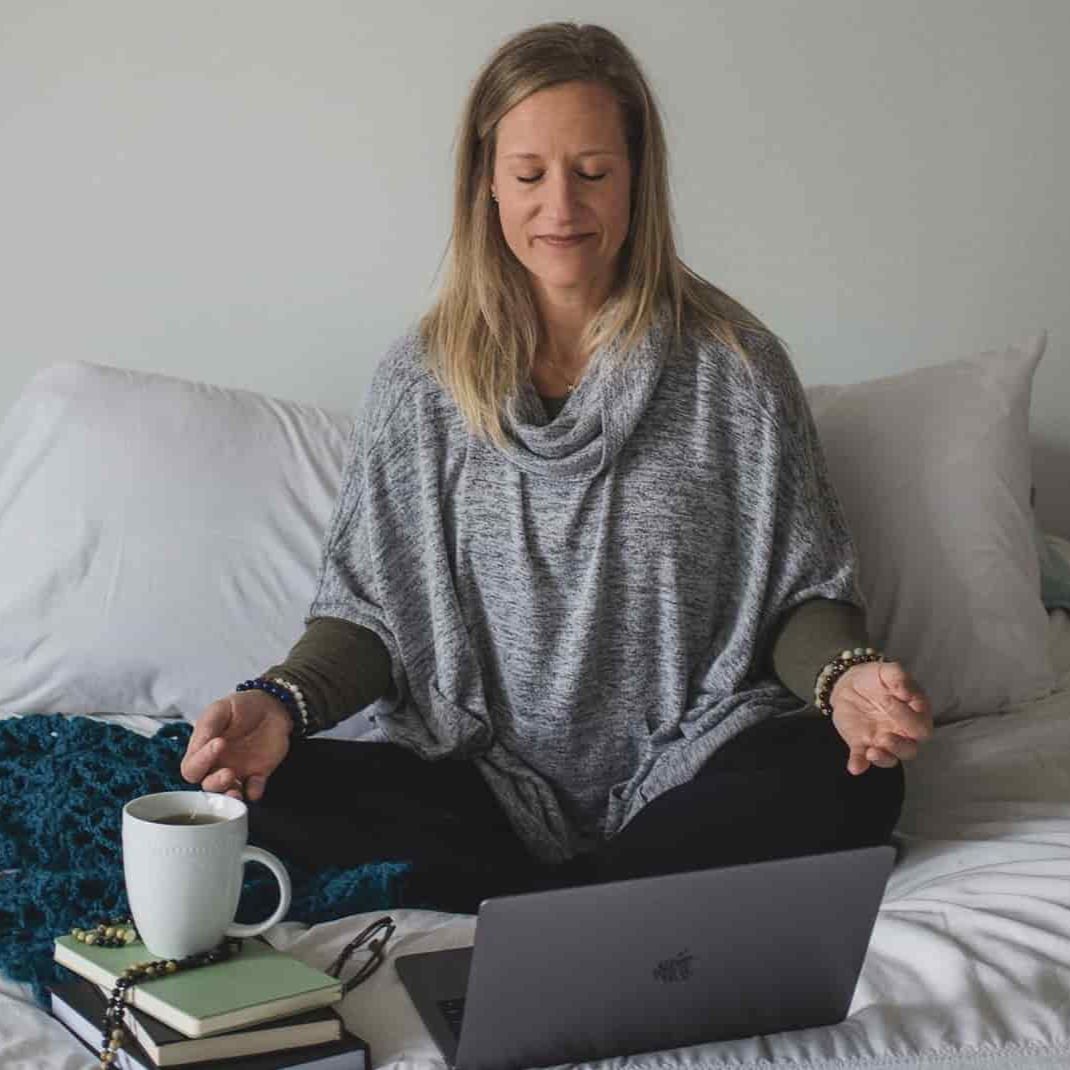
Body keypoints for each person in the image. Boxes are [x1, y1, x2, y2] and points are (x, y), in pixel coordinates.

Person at [181, 21, 933, 914]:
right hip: (479, 780)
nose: (561, 209)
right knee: (231, 800)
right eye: (530, 175)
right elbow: (371, 616)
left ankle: (550, 909)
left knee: (850, 780)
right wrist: (280, 702)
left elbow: (801, 590)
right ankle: (604, 905)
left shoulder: (736, 365)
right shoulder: (421, 382)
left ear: (638, 180)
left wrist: (846, 678)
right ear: (486, 186)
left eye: (593, 172)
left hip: (697, 764)